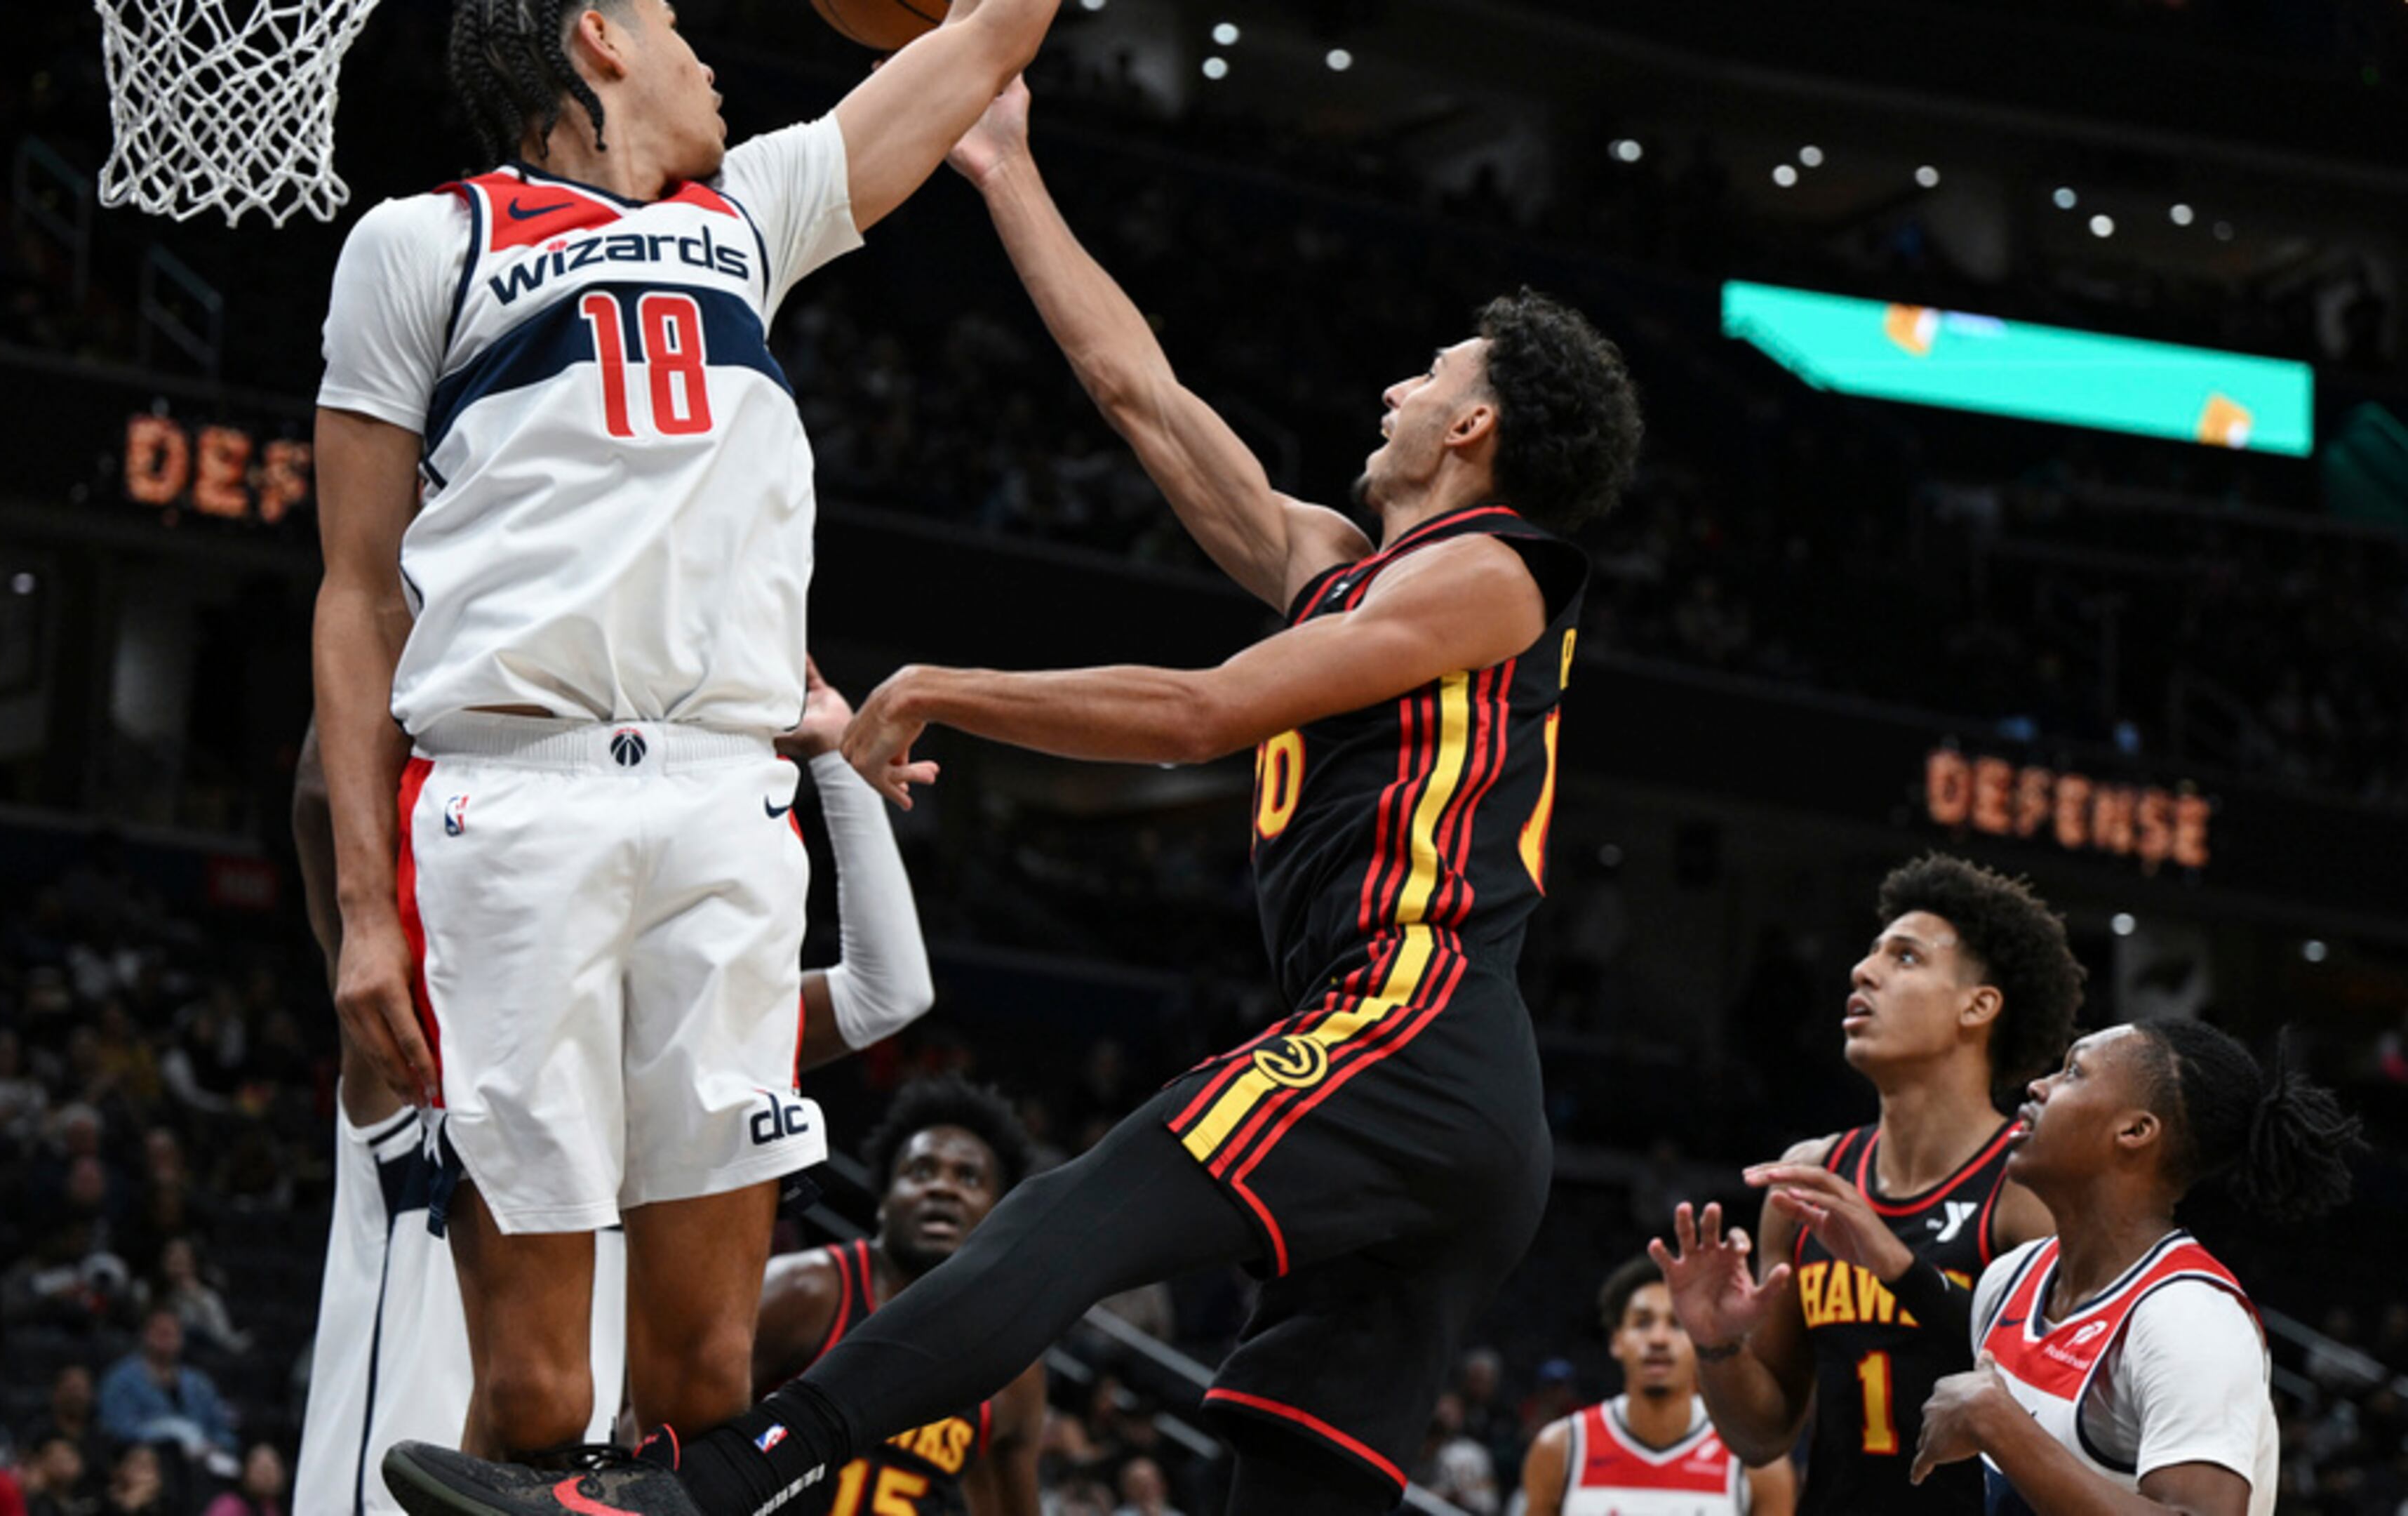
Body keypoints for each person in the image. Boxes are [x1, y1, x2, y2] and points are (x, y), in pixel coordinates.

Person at [382, 74, 1643, 1516]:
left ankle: (702, 1489)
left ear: (1474, 431)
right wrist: (1002, 170)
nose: (1398, 390)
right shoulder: (1342, 565)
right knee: (1287, 1485)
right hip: (1442, 1101)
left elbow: (1198, 713)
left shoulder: (1493, 576)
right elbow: (1141, 397)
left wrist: (938, 688)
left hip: (1410, 1030)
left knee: (1061, 1219)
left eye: (1431, 377)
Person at [311, 0, 1062, 1462]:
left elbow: (987, 42)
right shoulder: (418, 245)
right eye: (673, 22)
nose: (710, 56)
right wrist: (360, 909)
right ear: (597, 35)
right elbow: (354, 597)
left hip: (727, 801)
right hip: (512, 799)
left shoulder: (754, 209)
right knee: (533, 1391)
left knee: (708, 1376)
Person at [295, 662, 936, 1515]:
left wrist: (832, 754)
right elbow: (318, 791)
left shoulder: (670, 1123)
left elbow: (886, 993)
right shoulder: (423, 1054)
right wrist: (449, 653)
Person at [1653, 855, 2081, 1516]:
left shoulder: (2028, 1185)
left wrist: (1900, 1266)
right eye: (1872, 953)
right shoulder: (1809, 1183)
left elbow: (2060, 1408)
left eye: (1905, 958)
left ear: (1979, 1005)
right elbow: (1762, 1435)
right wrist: (1716, 1343)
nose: (1863, 970)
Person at [1906, 1022, 2358, 1515]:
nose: (2039, 1085)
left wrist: (1999, 1425)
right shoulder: (2009, 1279)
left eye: (2073, 1072)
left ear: (2136, 1131)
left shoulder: (2188, 1316)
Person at [747, 1079, 1043, 1516]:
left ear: (997, 1213)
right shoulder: (803, 1292)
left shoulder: (1014, 1368)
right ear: (884, 1200)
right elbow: (667, 1426)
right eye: (921, 1171)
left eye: (969, 1177)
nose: (943, 1188)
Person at [1521, 1257, 1794, 1516]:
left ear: (1701, 1338)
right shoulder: (1560, 1449)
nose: (1658, 1339)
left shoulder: (1754, 1461)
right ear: (1617, 1340)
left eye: (1677, 1324)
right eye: (1643, 1323)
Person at [95, 1314, 234, 1460]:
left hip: (201, 1463)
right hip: (148, 1461)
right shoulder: (120, 1380)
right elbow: (117, 1430)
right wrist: (168, 1438)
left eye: (172, 1334)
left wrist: (216, 1445)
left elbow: (223, 1430)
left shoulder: (199, 1383)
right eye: (160, 1333)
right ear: (145, 1336)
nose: (166, 1339)